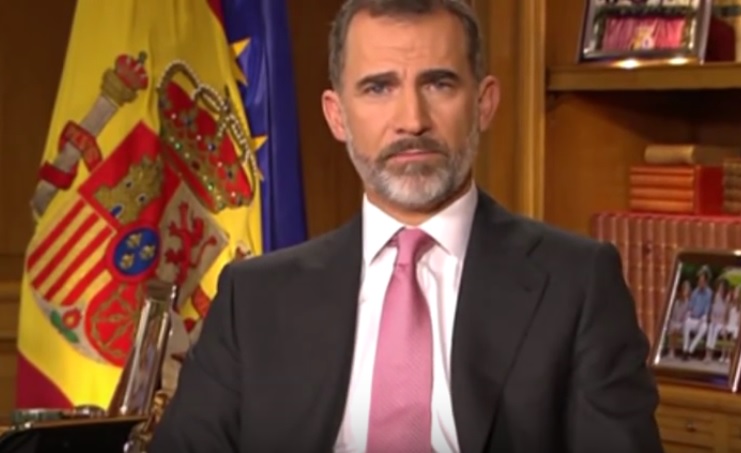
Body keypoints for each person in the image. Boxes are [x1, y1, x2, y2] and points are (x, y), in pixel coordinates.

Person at [148, 1, 663, 452]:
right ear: (337, 115)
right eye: (379, 88)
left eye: (439, 84)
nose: (412, 120)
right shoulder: (253, 299)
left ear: (484, 103)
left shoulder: (577, 285)